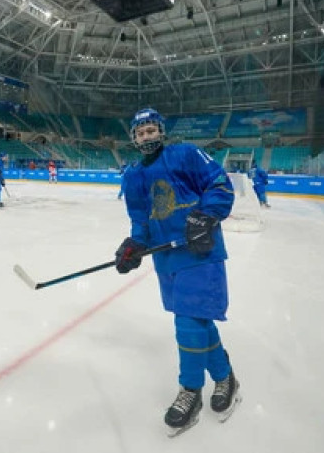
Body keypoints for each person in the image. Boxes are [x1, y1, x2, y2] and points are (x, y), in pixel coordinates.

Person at [115, 108, 240, 436]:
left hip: (201, 251)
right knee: (197, 320)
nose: (147, 137)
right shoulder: (131, 177)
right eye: (141, 133)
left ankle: (190, 391)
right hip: (167, 259)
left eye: (152, 130)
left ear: (162, 131)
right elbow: (141, 220)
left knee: (187, 321)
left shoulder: (185, 154)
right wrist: (133, 245)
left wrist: (206, 215)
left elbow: (219, 184)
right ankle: (226, 376)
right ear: (133, 137)